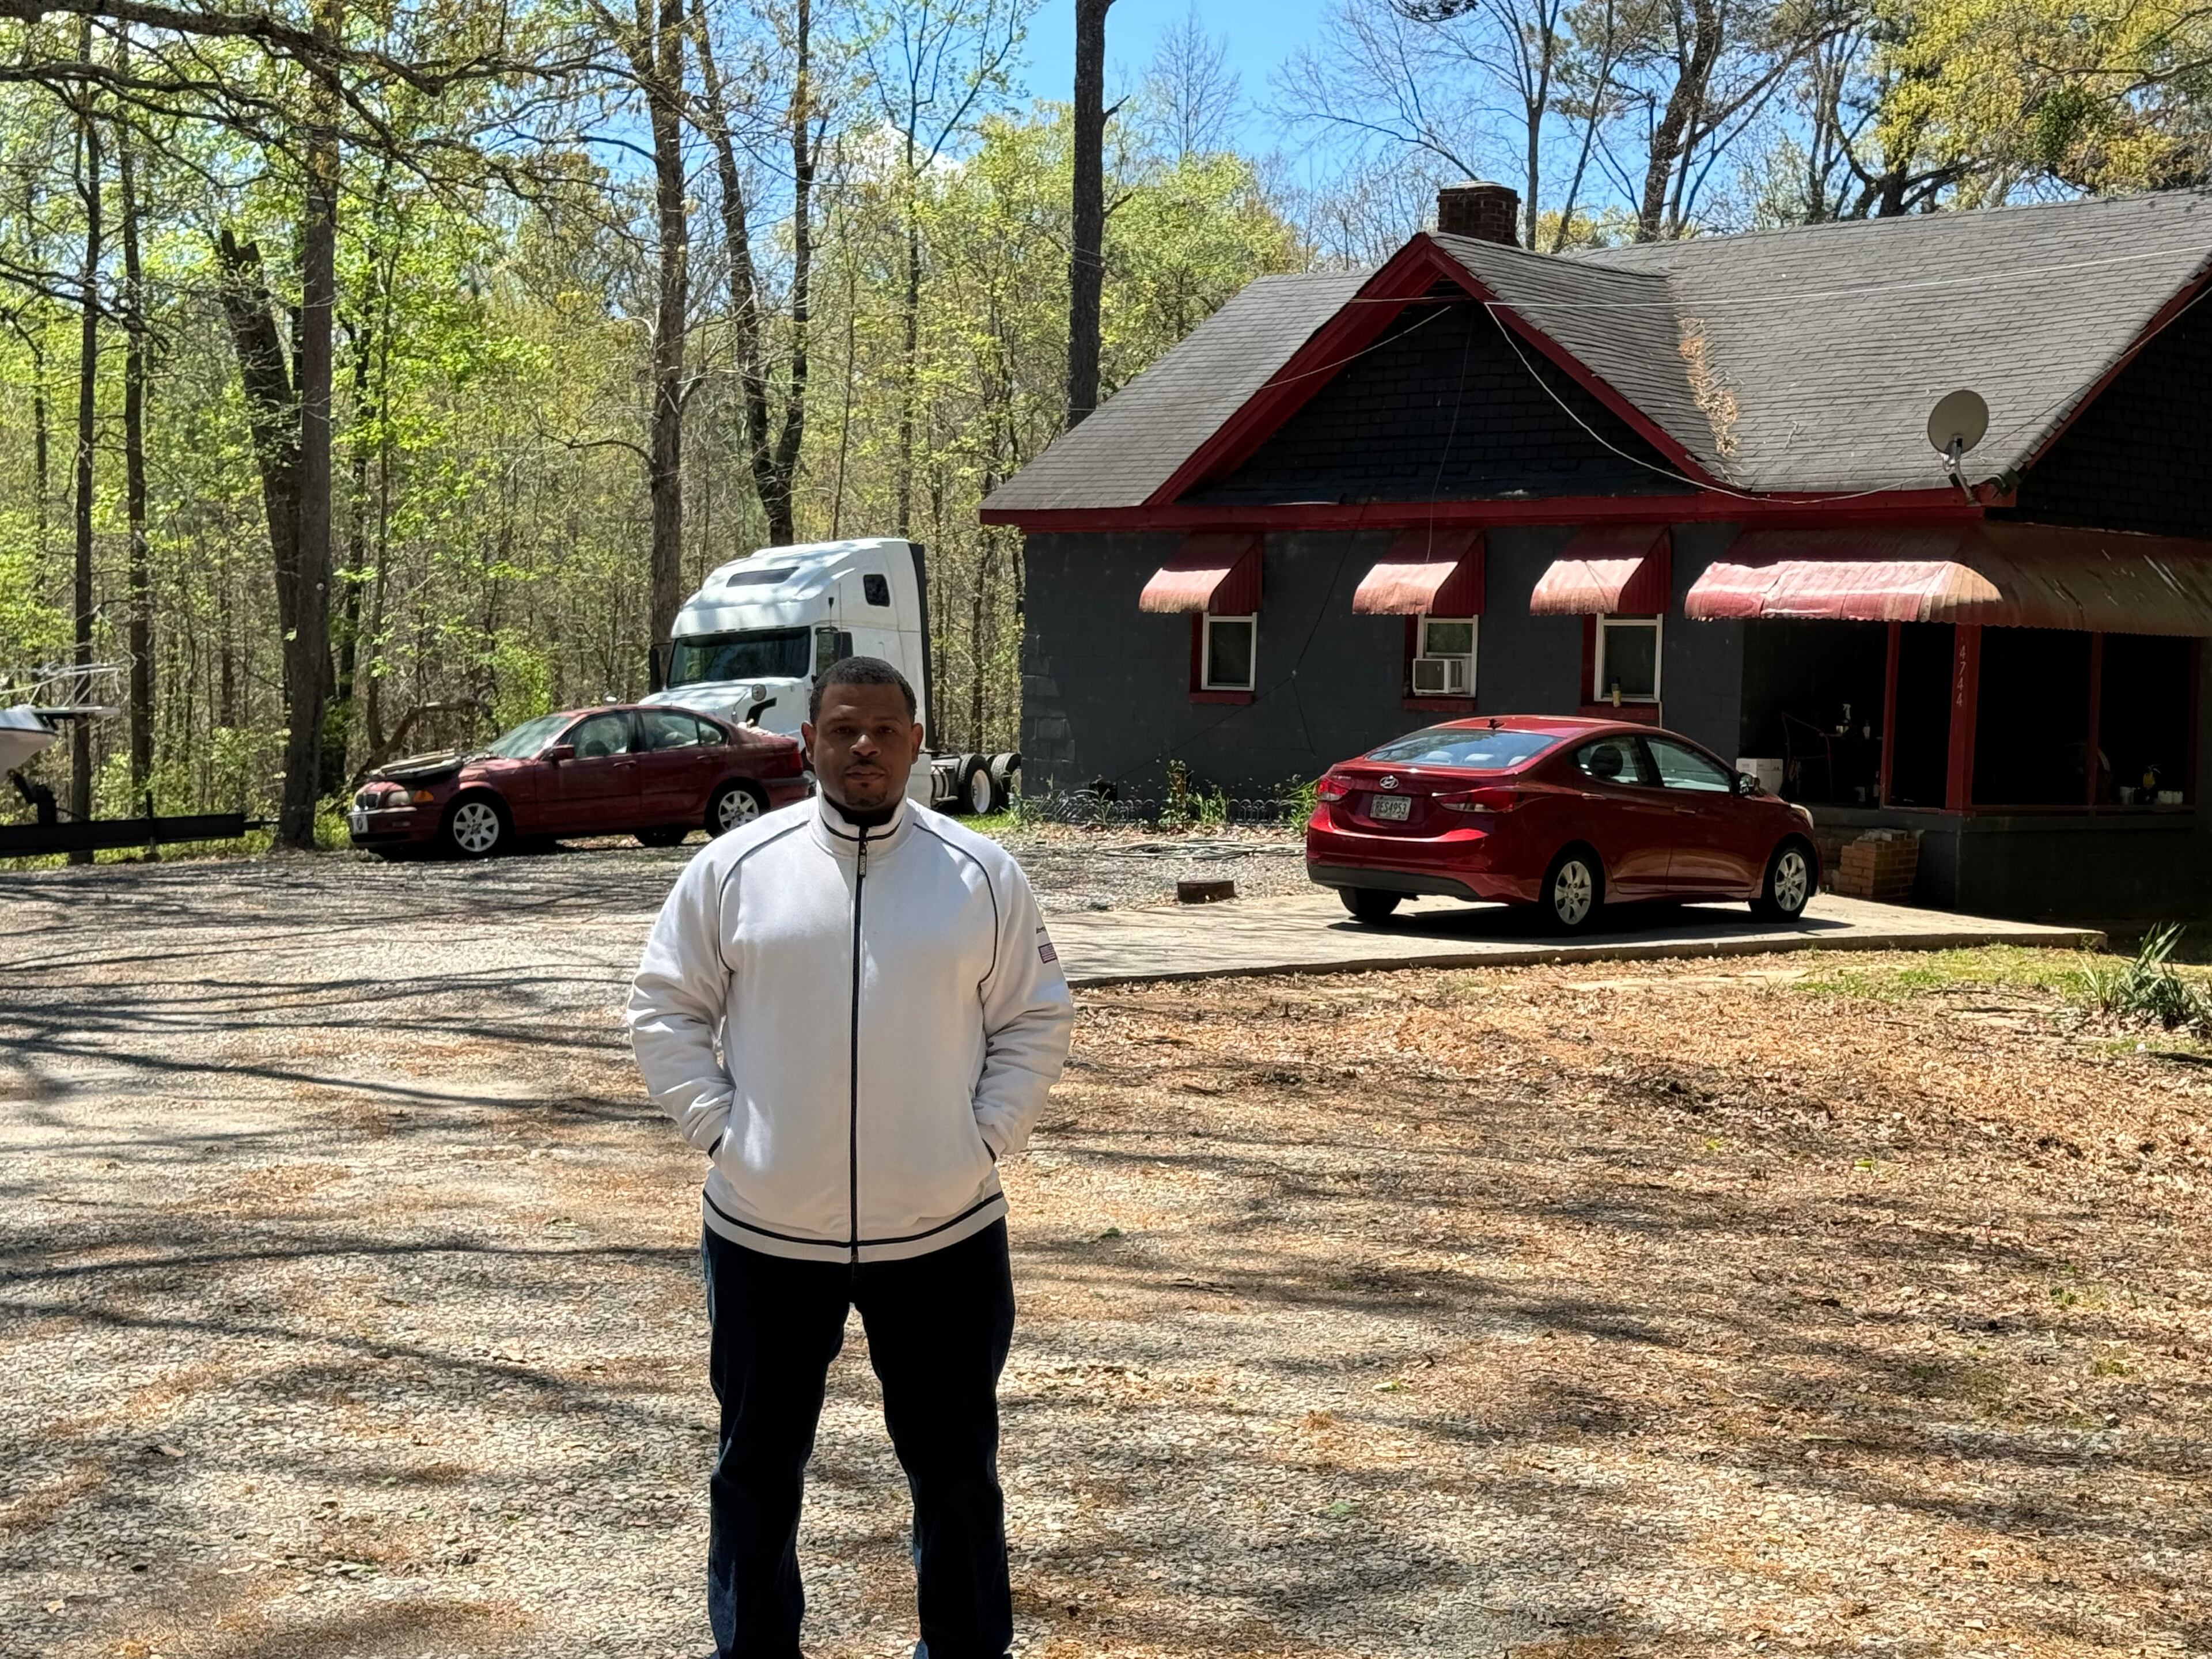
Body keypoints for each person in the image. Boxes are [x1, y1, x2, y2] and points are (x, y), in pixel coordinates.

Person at [628, 656, 1074, 1659]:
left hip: (945, 1229)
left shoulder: (981, 874)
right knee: (756, 1464)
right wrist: (723, 1132)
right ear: (807, 743)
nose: (863, 746)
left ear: (919, 743)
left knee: (956, 1466)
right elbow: (665, 1009)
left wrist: (983, 1137)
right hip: (766, 1230)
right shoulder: (736, 867)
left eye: (883, 729)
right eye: (842, 729)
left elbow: (1035, 1019)